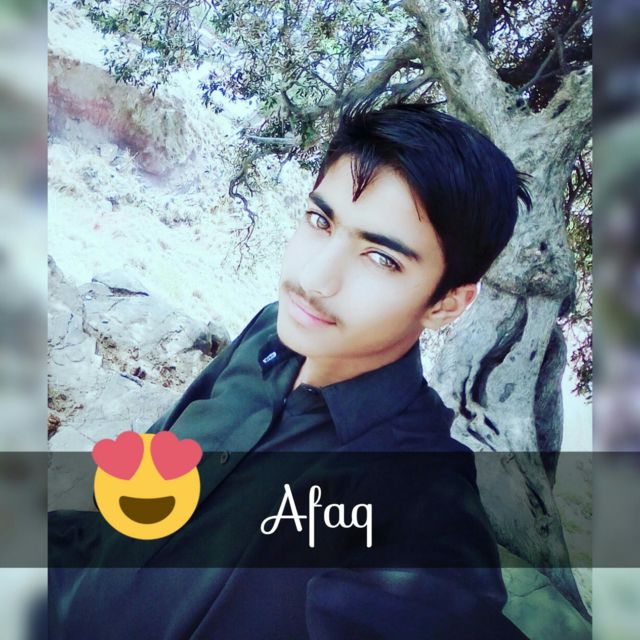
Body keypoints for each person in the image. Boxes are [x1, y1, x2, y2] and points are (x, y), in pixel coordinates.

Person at [49, 99, 532, 639]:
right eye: (321, 221)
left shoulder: (417, 493)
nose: (315, 279)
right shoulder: (268, 331)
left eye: (382, 258)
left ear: (446, 304)